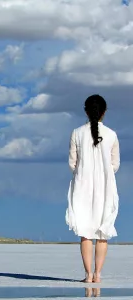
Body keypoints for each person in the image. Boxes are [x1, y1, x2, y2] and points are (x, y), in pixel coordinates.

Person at [65, 94, 120, 283]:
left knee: (85, 232)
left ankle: (88, 275)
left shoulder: (77, 133)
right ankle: (97, 274)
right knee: (102, 232)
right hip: (105, 186)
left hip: (82, 185)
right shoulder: (112, 134)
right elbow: (115, 165)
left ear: (86, 111)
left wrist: (84, 172)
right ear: (104, 112)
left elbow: (73, 163)